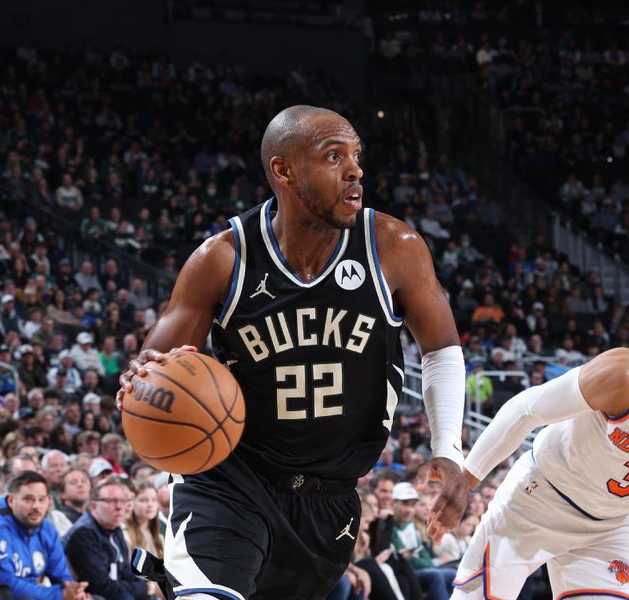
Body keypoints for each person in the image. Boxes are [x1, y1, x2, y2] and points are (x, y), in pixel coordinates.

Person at [119, 105, 468, 599]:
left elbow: (440, 350)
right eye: (333, 156)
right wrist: (139, 384)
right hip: (231, 481)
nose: (355, 170)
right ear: (283, 170)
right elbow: (154, 369)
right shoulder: (223, 258)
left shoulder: (394, 246)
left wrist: (447, 449)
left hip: (330, 498)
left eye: (356, 156)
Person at [442, 348, 629, 597]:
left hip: (609, 526)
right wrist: (466, 480)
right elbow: (525, 410)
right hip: (538, 499)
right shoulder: (621, 375)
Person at [0, 471, 89, 600]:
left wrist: (74, 591)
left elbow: (62, 575)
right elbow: (5, 583)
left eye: (41, 500)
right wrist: (58, 594)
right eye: (28, 499)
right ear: (11, 500)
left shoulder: (47, 529)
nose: (36, 506)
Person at [63, 476, 150, 600]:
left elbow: (125, 572)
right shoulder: (84, 534)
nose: (119, 507)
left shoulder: (115, 528)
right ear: (93, 506)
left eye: (122, 500)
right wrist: (146, 588)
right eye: (110, 501)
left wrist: (145, 589)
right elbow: (100, 586)